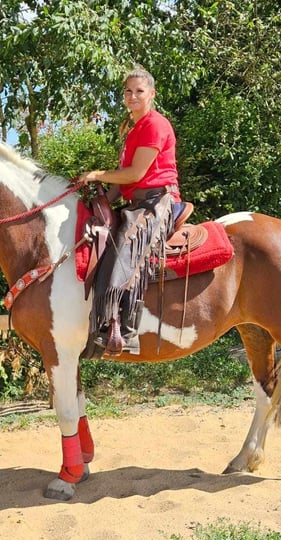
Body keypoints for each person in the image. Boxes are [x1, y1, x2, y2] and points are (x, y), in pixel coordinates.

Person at [79, 66, 187, 356]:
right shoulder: (132, 128)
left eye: (139, 91)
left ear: (151, 94)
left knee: (123, 248)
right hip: (137, 201)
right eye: (128, 91)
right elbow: (123, 183)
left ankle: (124, 330)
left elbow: (136, 173)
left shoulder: (155, 124)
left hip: (158, 202)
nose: (133, 96)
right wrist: (98, 200)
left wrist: (97, 174)